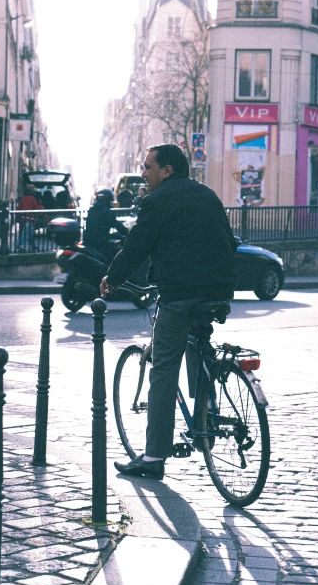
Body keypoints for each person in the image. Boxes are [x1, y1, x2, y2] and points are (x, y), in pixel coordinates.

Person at [100, 144, 236, 479]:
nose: (143, 173)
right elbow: (229, 242)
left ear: (167, 170)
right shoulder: (208, 195)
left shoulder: (156, 201)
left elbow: (137, 245)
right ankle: (206, 411)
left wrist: (113, 278)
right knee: (199, 343)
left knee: (162, 370)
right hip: (217, 289)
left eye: (147, 167)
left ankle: (152, 458)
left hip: (179, 293)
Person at [83, 187, 129, 262]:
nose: (111, 202)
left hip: (89, 242)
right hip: (101, 243)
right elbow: (118, 226)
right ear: (107, 199)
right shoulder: (107, 212)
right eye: (111, 199)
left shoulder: (92, 210)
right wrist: (128, 233)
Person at [16, 184, 44, 252]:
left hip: (23, 217)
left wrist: (18, 216)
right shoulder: (34, 197)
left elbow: (19, 207)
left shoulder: (23, 197)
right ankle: (19, 244)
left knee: (30, 232)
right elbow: (36, 207)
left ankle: (33, 246)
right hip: (31, 217)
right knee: (26, 232)